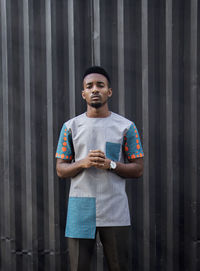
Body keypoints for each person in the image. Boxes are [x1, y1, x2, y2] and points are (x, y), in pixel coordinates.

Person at [55, 66, 144, 271]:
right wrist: (82, 163)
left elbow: (138, 169)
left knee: (119, 266)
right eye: (90, 86)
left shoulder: (125, 126)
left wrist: (110, 164)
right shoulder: (70, 127)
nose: (95, 89)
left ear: (109, 92)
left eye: (100, 85)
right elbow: (60, 170)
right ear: (83, 93)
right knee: (79, 267)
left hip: (114, 208)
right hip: (80, 208)